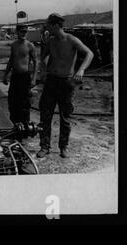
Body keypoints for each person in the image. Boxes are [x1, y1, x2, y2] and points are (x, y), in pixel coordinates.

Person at [37, 13, 94, 159]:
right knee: (45, 115)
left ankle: (63, 147)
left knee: (65, 116)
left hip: (66, 83)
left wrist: (81, 70)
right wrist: (43, 69)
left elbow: (89, 54)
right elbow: (43, 57)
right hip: (51, 82)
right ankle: (44, 146)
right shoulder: (50, 41)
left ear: (56, 25)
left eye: (49, 24)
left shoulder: (71, 40)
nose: (47, 27)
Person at [3, 25, 38, 131]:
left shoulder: (30, 45)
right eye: (22, 32)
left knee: (24, 103)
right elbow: (11, 60)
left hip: (25, 77)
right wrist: (5, 75)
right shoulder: (14, 45)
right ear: (17, 32)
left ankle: (25, 127)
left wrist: (34, 78)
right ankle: (15, 126)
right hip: (15, 77)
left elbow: (36, 62)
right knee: (12, 101)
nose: (24, 34)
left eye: (25, 32)